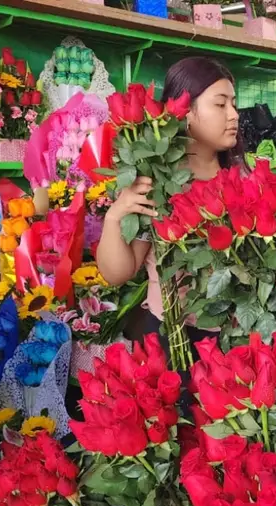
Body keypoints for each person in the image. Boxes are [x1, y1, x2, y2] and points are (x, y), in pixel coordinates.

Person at [97, 57, 243, 335]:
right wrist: (115, 217)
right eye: (221, 104)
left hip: (238, 336)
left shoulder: (245, 176)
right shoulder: (156, 182)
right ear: (185, 112)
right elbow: (118, 273)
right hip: (174, 334)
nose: (234, 114)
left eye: (233, 104)